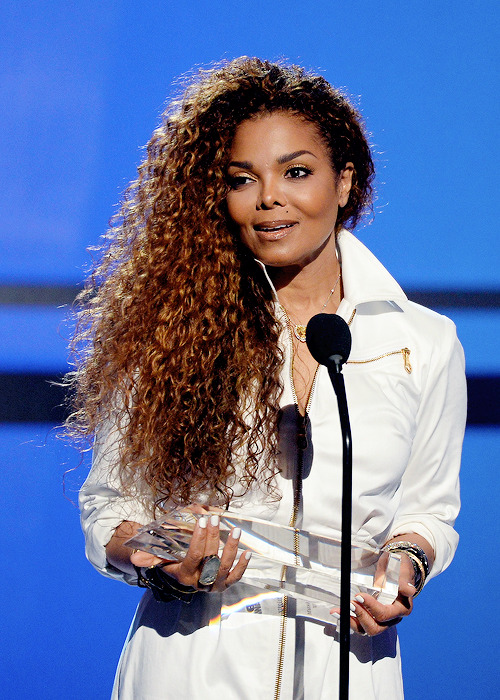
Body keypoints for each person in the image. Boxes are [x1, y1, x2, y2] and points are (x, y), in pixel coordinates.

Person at [70, 57, 467, 699]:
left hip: (351, 667)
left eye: (297, 172)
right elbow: (110, 506)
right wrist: (161, 558)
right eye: (242, 178)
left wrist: (405, 566)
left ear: (345, 182)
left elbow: (429, 510)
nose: (269, 198)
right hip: (192, 664)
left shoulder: (423, 341)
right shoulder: (168, 335)